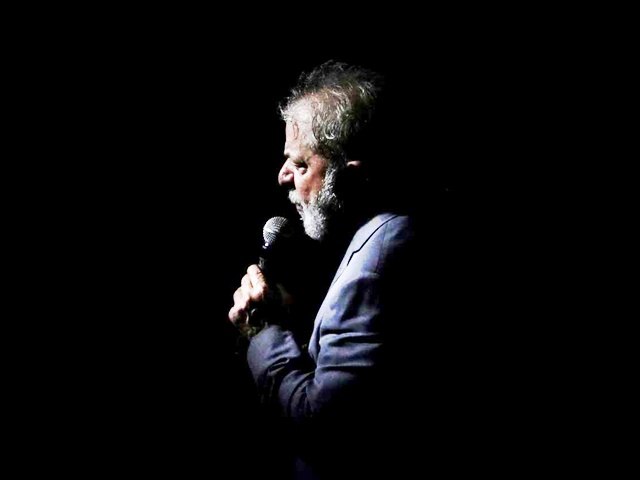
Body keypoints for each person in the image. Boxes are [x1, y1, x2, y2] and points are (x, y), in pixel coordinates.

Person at [227, 60, 465, 479]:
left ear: (352, 177)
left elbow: (325, 426)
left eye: (301, 165)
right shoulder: (391, 233)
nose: (283, 176)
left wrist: (263, 333)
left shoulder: (379, 263)